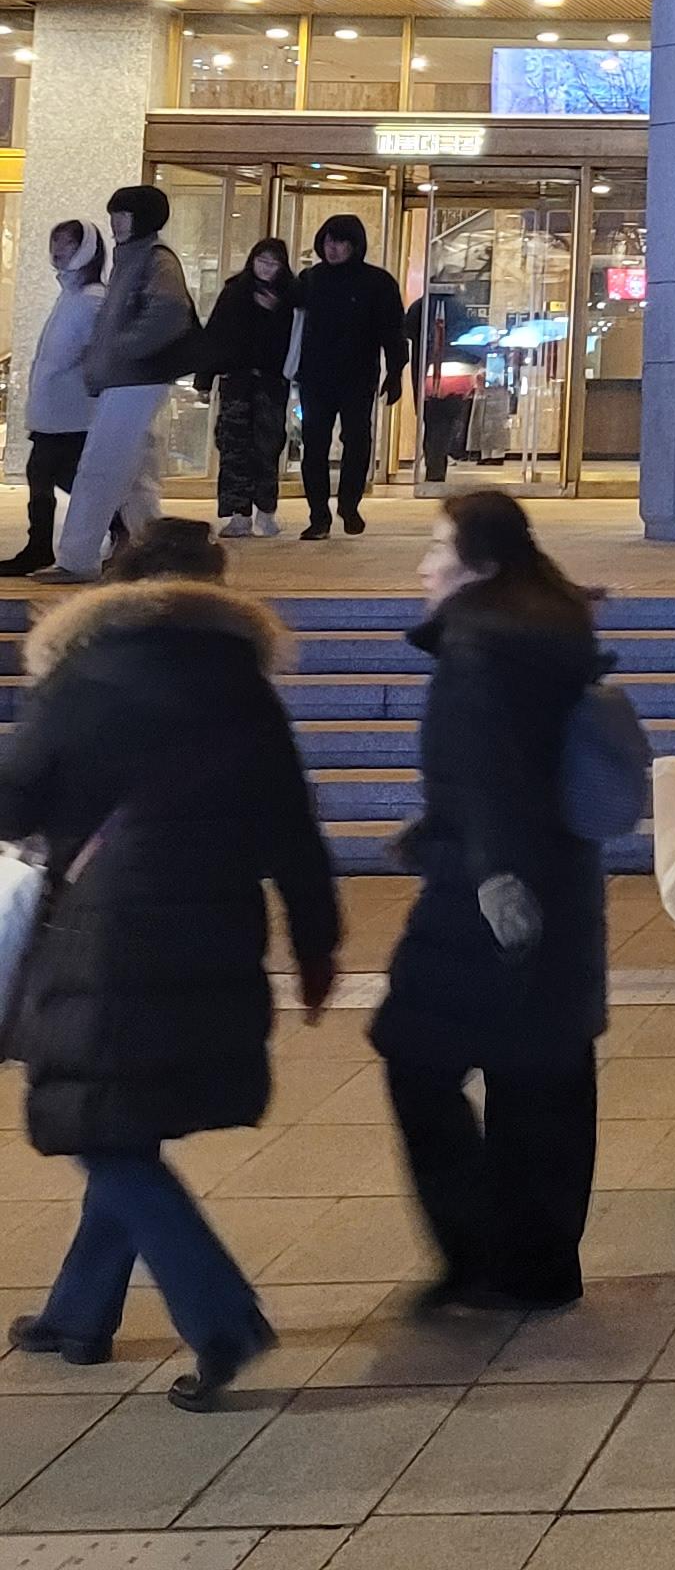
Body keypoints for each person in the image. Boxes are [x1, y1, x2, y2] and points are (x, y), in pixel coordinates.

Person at [0, 516, 340, 1403]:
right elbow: (293, 826)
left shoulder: (85, 672)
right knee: (121, 1119)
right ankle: (79, 1315)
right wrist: (317, 943)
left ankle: (223, 1319)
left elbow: (14, 799)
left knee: (97, 1130)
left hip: (107, 935)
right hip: (219, 927)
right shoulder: (243, 685)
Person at [371, 492, 609, 1310]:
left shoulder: (477, 649)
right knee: (543, 1076)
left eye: (439, 548)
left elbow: (487, 782)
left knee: (418, 1058)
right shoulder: (551, 631)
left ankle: (482, 1253)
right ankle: (538, 1265)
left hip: (487, 898)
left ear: (480, 565)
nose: (424, 566)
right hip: (561, 885)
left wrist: (493, 877)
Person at [51, 186, 197, 582]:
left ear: (143, 219)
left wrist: (123, 349)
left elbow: (170, 311)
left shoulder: (153, 259)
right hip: (132, 378)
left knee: (101, 466)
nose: (115, 223)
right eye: (114, 214)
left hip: (134, 379)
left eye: (123, 215)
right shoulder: (133, 258)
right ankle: (155, 557)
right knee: (135, 476)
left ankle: (77, 559)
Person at [289, 213, 406, 540]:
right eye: (328, 241)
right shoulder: (310, 280)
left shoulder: (377, 282)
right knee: (314, 445)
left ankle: (349, 503)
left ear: (355, 245)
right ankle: (318, 516)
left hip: (358, 376)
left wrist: (395, 371)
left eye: (341, 242)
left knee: (357, 441)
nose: (333, 248)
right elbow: (288, 318)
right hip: (314, 376)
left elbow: (392, 331)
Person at [7, 223, 102, 578]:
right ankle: (42, 545)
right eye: (55, 241)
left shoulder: (91, 298)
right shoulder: (71, 294)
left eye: (68, 242)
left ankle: (44, 546)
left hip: (73, 409)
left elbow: (81, 352)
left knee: (57, 475)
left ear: (87, 248)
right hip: (56, 408)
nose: (59, 249)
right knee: (52, 474)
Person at [193, 235, 296, 540]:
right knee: (234, 447)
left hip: (271, 382)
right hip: (236, 381)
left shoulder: (291, 296)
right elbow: (215, 336)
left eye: (273, 263)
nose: (266, 268)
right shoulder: (235, 292)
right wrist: (204, 377)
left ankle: (266, 511)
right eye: (262, 261)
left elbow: (296, 336)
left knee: (267, 446)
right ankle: (238, 515)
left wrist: (277, 310)